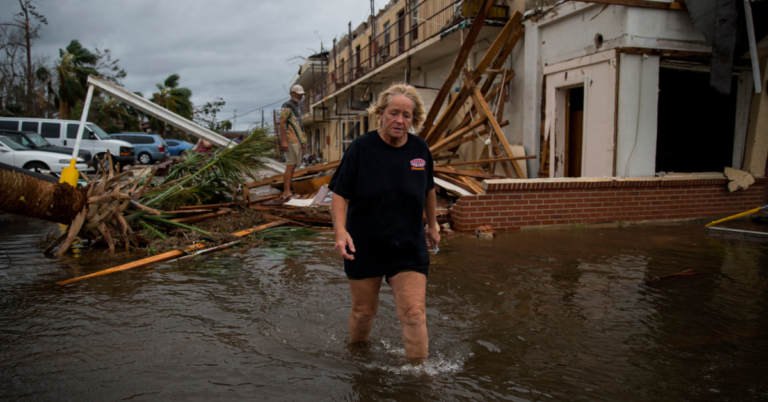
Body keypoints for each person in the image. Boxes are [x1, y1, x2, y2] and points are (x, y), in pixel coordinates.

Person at [329, 82, 440, 362]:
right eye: (393, 113)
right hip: (365, 243)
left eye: (406, 115)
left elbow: (428, 189)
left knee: (414, 313)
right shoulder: (361, 148)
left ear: (413, 119)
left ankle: (419, 379)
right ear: (380, 113)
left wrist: (433, 224)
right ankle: (358, 361)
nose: (399, 121)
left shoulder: (420, 149)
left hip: (408, 244)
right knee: (364, 312)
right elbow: (340, 194)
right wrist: (340, 232)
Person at [279, 85, 307, 200]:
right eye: (298, 94)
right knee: (290, 165)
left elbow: (300, 125)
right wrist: (284, 140)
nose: (300, 96)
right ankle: (286, 192)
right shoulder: (287, 105)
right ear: (292, 93)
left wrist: (303, 142)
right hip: (290, 140)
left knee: (293, 165)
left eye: (301, 95)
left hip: (297, 140)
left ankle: (288, 192)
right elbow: (281, 123)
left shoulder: (296, 106)